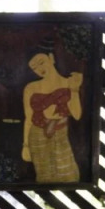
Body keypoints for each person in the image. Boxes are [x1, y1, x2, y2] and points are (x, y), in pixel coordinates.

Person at [21, 41, 83, 183]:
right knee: (44, 176)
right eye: (34, 67)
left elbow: (77, 115)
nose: (39, 69)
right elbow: (28, 118)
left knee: (68, 174)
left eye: (41, 62)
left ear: (51, 58)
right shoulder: (30, 88)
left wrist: (74, 90)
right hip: (36, 135)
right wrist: (26, 145)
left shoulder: (69, 83)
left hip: (60, 133)